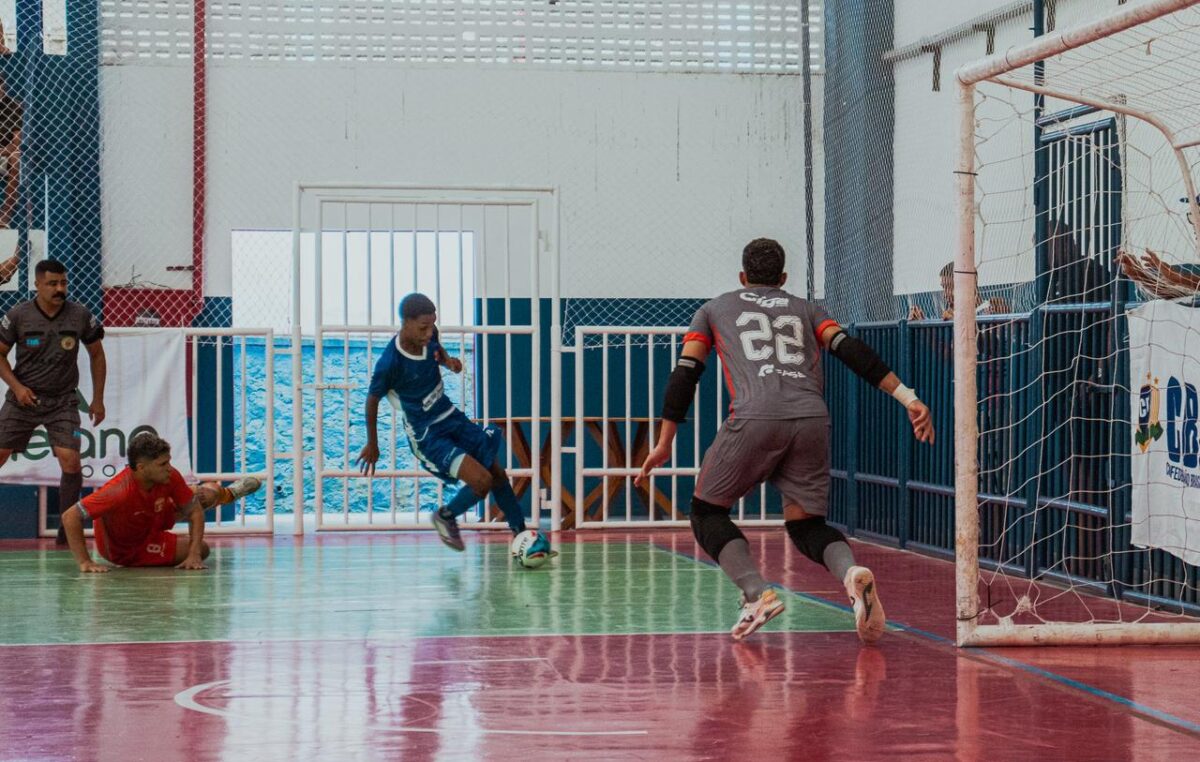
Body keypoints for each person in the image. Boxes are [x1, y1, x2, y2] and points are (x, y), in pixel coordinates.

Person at [637, 238, 935, 643]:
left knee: (706, 512)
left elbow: (686, 373)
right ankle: (850, 574)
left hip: (755, 417)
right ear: (783, 278)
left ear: (743, 278)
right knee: (807, 525)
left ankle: (756, 594)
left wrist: (663, 441)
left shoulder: (713, 310)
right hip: (811, 419)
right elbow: (853, 352)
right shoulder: (807, 308)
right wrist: (909, 397)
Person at [356, 293, 531, 552]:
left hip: (450, 416)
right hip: (427, 435)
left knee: (496, 472)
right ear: (405, 322)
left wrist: (448, 363)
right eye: (423, 327)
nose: (429, 332)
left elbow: (437, 350)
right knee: (481, 481)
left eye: (432, 325)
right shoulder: (390, 362)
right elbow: (371, 402)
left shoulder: (430, 335)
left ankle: (522, 535)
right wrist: (373, 444)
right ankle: (445, 516)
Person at [0, 259, 105, 544]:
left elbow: (97, 353)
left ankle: (66, 532)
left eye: (63, 283)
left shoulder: (80, 315)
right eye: (52, 284)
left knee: (71, 461)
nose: (60, 289)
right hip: (24, 399)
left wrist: (97, 399)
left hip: (63, 401)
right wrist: (17, 387)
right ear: (37, 285)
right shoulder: (19, 315)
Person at [60, 432, 261, 572]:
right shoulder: (117, 491)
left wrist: (193, 555)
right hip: (124, 551)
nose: (169, 468)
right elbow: (70, 517)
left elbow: (194, 512)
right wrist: (85, 562)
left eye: (169, 461)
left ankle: (229, 493)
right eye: (163, 464)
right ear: (141, 468)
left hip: (153, 520)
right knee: (204, 548)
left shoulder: (169, 476)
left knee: (206, 496)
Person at [908, 261, 1009, 320]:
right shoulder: (950, 316)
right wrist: (922, 326)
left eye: (949, 287)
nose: (945, 295)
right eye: (943, 288)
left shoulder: (991, 311)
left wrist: (958, 324)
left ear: (969, 285)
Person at [0, 71, 21, 228]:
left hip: (4, 154)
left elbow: (16, 142)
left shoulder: (14, 107)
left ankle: (5, 216)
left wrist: (4, 151)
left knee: (16, 158)